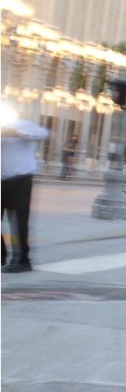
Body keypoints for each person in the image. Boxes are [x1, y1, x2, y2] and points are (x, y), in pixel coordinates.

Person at [1, 114, 49, 273]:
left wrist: (17, 133)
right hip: (2, 181)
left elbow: (43, 133)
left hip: (20, 181)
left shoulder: (21, 125)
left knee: (19, 222)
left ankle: (23, 260)